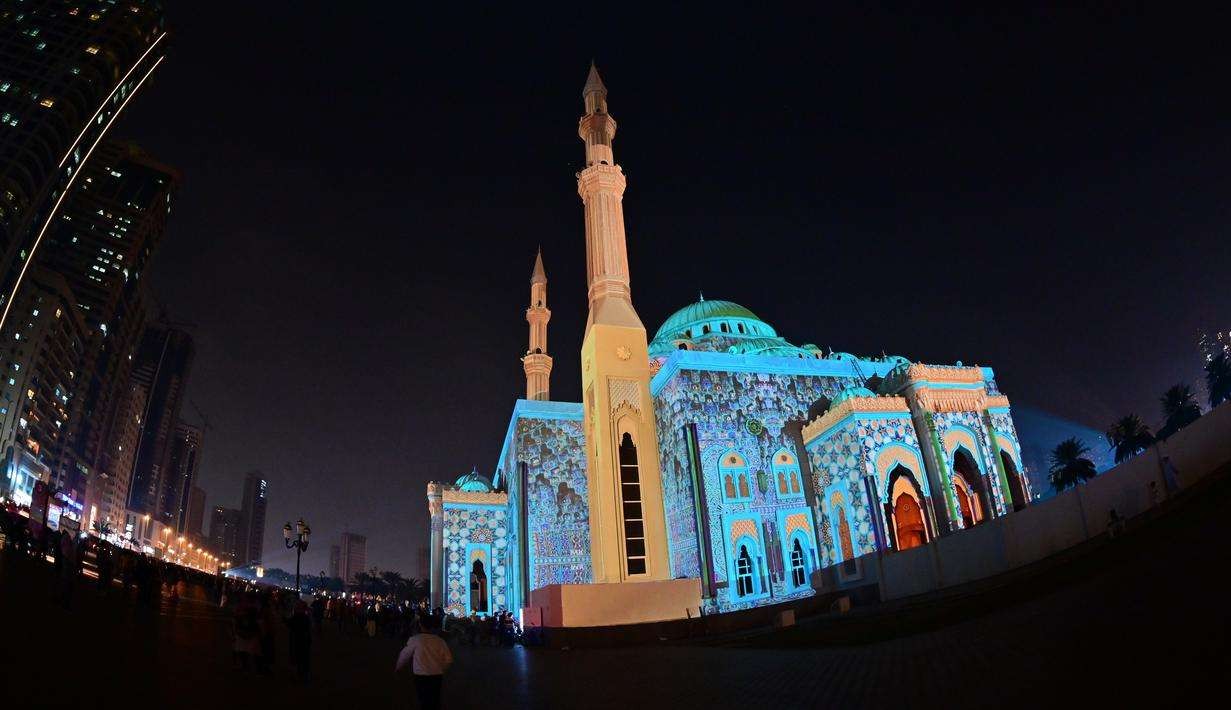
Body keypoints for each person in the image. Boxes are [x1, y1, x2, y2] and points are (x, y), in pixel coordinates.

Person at [395, 614, 453, 710]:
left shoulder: (415, 640)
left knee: (423, 699)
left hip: (420, 675)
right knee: (435, 699)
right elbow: (449, 660)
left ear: (420, 625)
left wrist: (398, 667)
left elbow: (404, 655)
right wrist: (441, 668)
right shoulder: (440, 641)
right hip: (436, 675)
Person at [287, 600, 312, 681]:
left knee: (297, 656)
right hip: (304, 639)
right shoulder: (306, 617)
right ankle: (303, 674)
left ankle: (298, 674)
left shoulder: (298, 617)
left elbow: (290, 624)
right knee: (303, 657)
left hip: (297, 639)